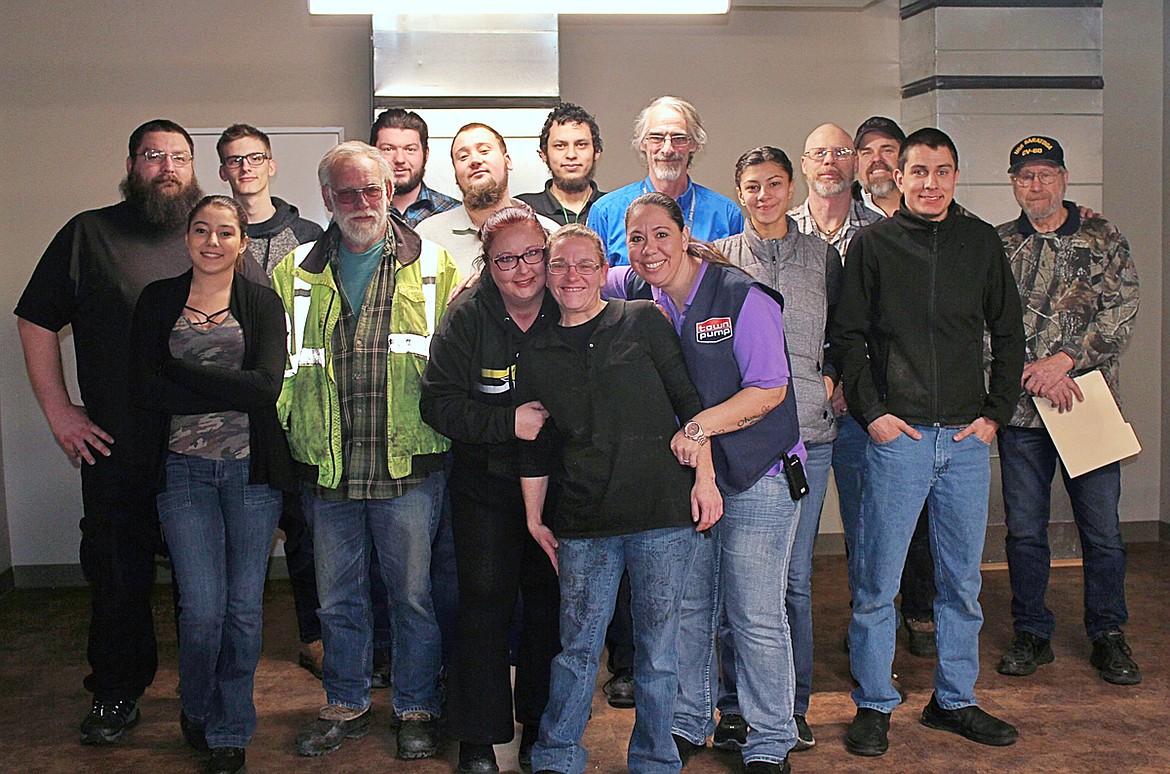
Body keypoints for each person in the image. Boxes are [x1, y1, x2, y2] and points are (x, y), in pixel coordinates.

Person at [831, 128, 1025, 757]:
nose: (930, 183)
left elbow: (1009, 333)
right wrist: (876, 415)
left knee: (962, 583)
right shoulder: (873, 244)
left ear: (957, 177)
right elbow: (849, 337)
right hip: (900, 440)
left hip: (967, 440)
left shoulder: (980, 243)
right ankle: (874, 703)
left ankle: (955, 699)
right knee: (877, 581)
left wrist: (995, 414)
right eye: (919, 171)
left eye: (942, 171)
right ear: (898, 176)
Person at [272, 141, 461, 759]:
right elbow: (278, 372)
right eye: (346, 192)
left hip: (407, 466)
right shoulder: (293, 272)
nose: (360, 203)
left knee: (412, 597)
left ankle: (414, 707)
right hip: (327, 467)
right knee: (338, 598)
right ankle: (345, 702)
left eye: (370, 190)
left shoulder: (436, 266)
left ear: (390, 192)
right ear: (326, 199)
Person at [15, 118, 202, 745]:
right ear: (131, 165)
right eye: (153, 155)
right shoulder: (88, 234)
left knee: (201, 587)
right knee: (118, 579)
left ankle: (203, 704)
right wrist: (60, 411)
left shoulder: (213, 234)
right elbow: (35, 321)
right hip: (117, 446)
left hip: (203, 449)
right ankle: (116, 693)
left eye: (179, 155)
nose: (167, 166)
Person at [605, 192, 805, 773]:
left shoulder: (741, 296)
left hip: (760, 475)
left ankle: (770, 738)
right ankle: (689, 721)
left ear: (684, 231)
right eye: (636, 239)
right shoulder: (639, 292)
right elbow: (575, 271)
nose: (649, 249)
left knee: (755, 613)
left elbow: (769, 389)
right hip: (691, 480)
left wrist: (698, 427)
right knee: (689, 606)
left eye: (660, 235)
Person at [519, 223, 721, 774]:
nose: (572, 276)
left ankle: (655, 760)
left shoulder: (642, 321)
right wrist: (535, 517)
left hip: (662, 517)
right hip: (583, 523)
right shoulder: (535, 349)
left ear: (603, 269)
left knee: (657, 655)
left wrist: (704, 480)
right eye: (560, 265)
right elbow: (536, 446)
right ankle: (558, 757)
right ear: (547, 272)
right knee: (577, 651)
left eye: (585, 264)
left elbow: (690, 405)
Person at [129, 195, 293, 774]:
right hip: (183, 471)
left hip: (251, 474)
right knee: (202, 610)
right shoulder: (157, 302)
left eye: (226, 232)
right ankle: (196, 704)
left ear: (243, 242)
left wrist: (178, 370)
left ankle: (230, 729)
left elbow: (263, 389)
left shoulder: (262, 302)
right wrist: (226, 384)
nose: (213, 241)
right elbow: (146, 392)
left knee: (245, 610)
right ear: (188, 238)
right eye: (202, 230)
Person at [993, 135, 1141, 685]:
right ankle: (1031, 631)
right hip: (1022, 413)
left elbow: (1122, 309)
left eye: (1047, 174)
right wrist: (1034, 375)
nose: (1037, 185)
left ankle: (1108, 633)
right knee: (1025, 531)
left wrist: (1064, 361)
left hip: (1088, 404)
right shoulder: (1000, 244)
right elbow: (988, 322)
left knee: (1101, 531)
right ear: (1014, 184)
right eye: (1026, 176)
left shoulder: (1104, 238)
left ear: (1064, 179)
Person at [420, 204, 562, 774]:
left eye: (533, 255)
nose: (523, 269)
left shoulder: (568, 305)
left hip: (559, 489)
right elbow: (438, 403)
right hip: (486, 487)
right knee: (483, 606)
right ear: (487, 263)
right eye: (506, 259)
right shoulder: (467, 317)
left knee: (551, 609)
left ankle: (540, 729)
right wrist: (507, 422)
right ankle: (477, 739)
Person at [713, 147, 842, 753]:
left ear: (791, 187)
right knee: (730, 584)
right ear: (739, 193)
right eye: (751, 186)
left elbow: (847, 331)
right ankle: (733, 704)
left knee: (789, 581)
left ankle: (790, 706)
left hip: (807, 440)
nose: (763, 195)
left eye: (773, 184)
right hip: (739, 442)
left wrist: (833, 377)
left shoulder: (823, 257)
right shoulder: (721, 261)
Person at [792, 120, 937, 659]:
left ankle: (868, 649)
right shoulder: (779, 230)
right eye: (817, 153)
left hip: (864, 411)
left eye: (839, 152)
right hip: (799, 414)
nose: (829, 162)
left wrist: (858, 386)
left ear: (854, 164)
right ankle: (786, 654)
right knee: (791, 546)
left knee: (869, 537)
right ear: (804, 166)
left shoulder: (888, 231)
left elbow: (894, 324)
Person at [216, 122, 326, 678]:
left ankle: (314, 635)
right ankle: (237, 642)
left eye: (254, 158)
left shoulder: (308, 234)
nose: (245, 169)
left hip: (296, 404)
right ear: (222, 170)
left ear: (272, 165)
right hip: (234, 411)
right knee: (241, 534)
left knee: (303, 531)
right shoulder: (210, 235)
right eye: (234, 161)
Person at [587, 96, 742, 266]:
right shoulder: (606, 212)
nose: (667, 149)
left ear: (694, 144)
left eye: (679, 138)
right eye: (657, 138)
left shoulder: (727, 215)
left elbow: (737, 285)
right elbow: (592, 281)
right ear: (643, 144)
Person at [416, 122, 558, 275]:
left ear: (507, 161)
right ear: (455, 173)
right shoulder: (428, 237)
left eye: (484, 151)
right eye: (463, 156)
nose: (475, 160)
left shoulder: (550, 233)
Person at [517, 102, 606, 226]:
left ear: (597, 152)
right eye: (560, 146)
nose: (571, 154)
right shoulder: (521, 210)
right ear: (543, 154)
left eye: (581, 145)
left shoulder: (615, 208)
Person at [372, 107, 461, 226]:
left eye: (410, 149)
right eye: (388, 149)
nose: (399, 159)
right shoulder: (361, 212)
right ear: (373, 154)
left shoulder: (454, 213)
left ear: (426, 154)